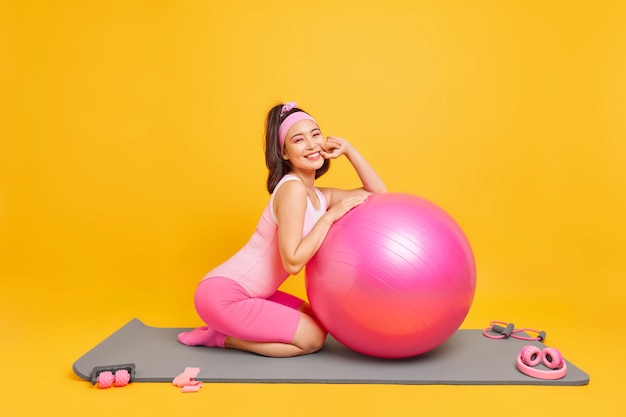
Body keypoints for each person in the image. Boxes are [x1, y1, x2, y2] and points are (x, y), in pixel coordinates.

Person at [177, 101, 386, 357]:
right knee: (312, 340)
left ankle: (225, 331)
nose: (311, 145)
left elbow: (377, 193)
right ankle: (222, 338)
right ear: (284, 153)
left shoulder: (318, 195)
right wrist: (329, 218)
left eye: (316, 134)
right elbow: (293, 263)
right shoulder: (292, 189)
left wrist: (350, 150)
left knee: (319, 319)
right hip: (223, 296)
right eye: (298, 140)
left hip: (256, 294)